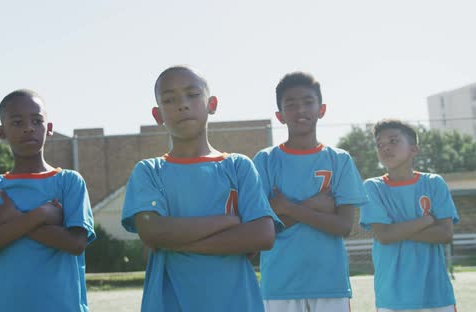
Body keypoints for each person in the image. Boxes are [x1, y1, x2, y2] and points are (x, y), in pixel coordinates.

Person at [121, 65, 281, 312]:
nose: (182, 104)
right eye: (169, 99)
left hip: (237, 303)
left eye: (192, 95)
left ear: (212, 104)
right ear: (157, 115)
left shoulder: (238, 166)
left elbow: (262, 235)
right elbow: (152, 232)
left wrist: (173, 241)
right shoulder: (149, 171)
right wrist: (226, 222)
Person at [0, 90, 95, 312]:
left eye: (37, 121)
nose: (28, 127)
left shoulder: (69, 181)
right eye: (17, 122)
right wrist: (39, 216)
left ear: (48, 128)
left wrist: (14, 219)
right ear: (1, 131)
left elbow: (76, 244)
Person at [253, 72, 367, 312]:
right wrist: (315, 204)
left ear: (321, 109)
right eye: (291, 105)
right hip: (279, 284)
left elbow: (343, 227)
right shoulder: (265, 160)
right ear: (280, 115)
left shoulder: (339, 160)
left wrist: (287, 208)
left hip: (329, 283)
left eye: (307, 102)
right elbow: (264, 231)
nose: (300, 110)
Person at [360, 119, 458, 312]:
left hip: (436, 294)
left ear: (414, 149)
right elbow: (384, 236)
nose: (385, 148)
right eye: (380, 144)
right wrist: (427, 220)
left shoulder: (434, 183)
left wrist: (396, 230)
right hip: (393, 296)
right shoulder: (373, 187)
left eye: (394, 141)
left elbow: (445, 234)